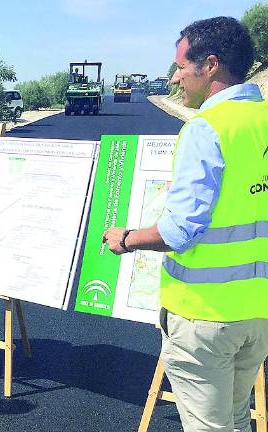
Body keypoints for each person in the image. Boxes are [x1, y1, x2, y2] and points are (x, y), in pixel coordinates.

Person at [103, 16, 268, 432]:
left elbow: (180, 231)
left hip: (203, 317)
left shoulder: (205, 129)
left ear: (210, 65)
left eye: (181, 67)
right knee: (234, 420)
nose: (176, 78)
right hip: (257, 314)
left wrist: (127, 238)